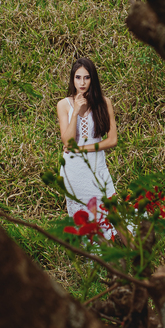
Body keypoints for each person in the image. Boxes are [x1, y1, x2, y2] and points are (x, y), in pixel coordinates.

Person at [56, 57, 118, 239]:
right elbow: (67, 143)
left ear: (93, 79)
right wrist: (75, 111)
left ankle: (128, 251)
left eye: (86, 77)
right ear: (72, 79)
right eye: (78, 77)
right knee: (85, 219)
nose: (82, 83)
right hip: (74, 171)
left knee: (112, 213)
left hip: (98, 166)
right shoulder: (63, 105)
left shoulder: (104, 103)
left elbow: (112, 140)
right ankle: (95, 255)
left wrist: (82, 149)